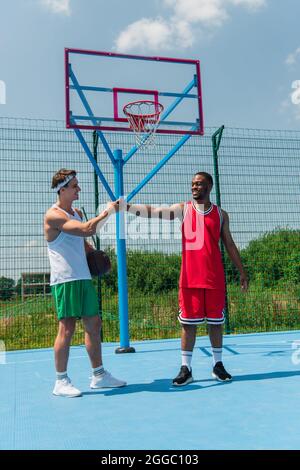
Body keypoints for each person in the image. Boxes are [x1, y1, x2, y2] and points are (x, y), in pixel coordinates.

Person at [125, 172, 248, 386]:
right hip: (190, 279)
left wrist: (242, 271)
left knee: (216, 324)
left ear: (209, 186)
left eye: (199, 184)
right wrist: (127, 207)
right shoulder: (184, 209)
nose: (194, 187)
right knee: (188, 325)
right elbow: (154, 211)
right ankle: (186, 369)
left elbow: (229, 244)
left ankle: (218, 366)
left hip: (214, 279)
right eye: (192, 184)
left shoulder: (220, 215)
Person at [44, 169, 126, 397]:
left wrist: (96, 256)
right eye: (75, 186)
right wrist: (109, 211)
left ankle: (99, 376)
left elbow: (83, 243)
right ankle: (61, 381)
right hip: (65, 280)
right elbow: (86, 229)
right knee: (67, 328)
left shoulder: (77, 212)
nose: (78, 189)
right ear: (62, 189)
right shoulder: (54, 215)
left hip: (83, 277)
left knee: (94, 324)